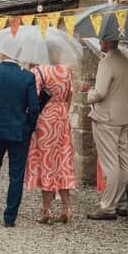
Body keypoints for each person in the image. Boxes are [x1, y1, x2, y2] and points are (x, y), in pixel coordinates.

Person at [0, 51, 39, 227]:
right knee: (16, 174)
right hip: (19, 130)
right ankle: (10, 216)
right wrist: (29, 127)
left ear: (2, 53)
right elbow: (34, 107)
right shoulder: (27, 76)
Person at [81, 38, 128, 221]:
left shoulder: (106, 62)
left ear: (108, 42)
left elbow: (101, 93)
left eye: (103, 39)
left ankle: (107, 206)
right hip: (122, 115)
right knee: (123, 160)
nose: (100, 42)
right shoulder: (126, 61)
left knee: (110, 162)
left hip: (106, 118)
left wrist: (88, 92)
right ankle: (123, 202)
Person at [26, 55, 77, 223]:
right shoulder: (66, 70)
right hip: (62, 117)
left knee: (47, 161)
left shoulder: (38, 71)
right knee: (62, 161)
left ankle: (47, 210)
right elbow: (70, 95)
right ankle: (67, 208)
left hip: (45, 119)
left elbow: (33, 99)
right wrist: (63, 112)